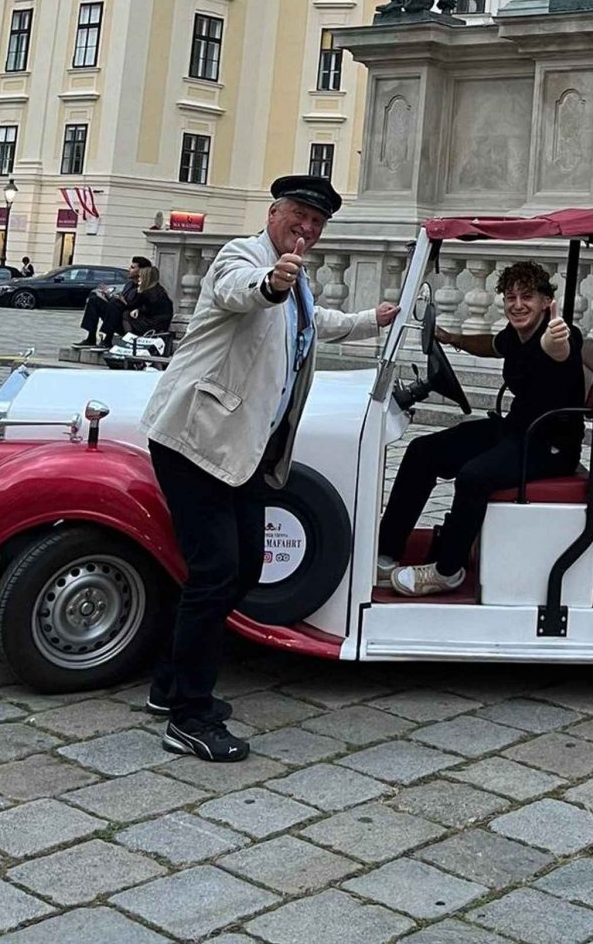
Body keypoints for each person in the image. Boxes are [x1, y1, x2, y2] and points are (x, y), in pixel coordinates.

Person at [139, 175, 398, 762]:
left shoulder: (296, 276)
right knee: (216, 571)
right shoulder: (247, 256)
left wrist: (371, 319)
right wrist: (271, 282)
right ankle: (189, 715)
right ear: (273, 210)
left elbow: (312, 322)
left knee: (244, 567)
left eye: (317, 222)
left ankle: (169, 684)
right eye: (299, 215)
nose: (306, 228)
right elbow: (239, 291)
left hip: (246, 450)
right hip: (196, 439)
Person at [377, 262, 585, 596]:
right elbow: (493, 344)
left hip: (550, 445)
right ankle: (386, 551)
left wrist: (554, 345)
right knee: (422, 451)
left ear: (546, 301)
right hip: (516, 429)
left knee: (474, 476)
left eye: (527, 296)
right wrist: (450, 338)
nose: (517, 304)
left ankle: (448, 570)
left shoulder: (559, 333)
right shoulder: (517, 334)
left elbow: (561, 351)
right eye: (510, 296)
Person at [77, 258, 172, 348]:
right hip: (119, 316)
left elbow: (143, 306)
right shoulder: (129, 284)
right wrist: (108, 296)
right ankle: (91, 337)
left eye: (133, 267)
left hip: (131, 321)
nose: (129, 269)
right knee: (95, 300)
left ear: (141, 271)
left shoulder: (148, 289)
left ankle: (106, 340)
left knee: (115, 303)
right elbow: (122, 302)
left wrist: (126, 303)